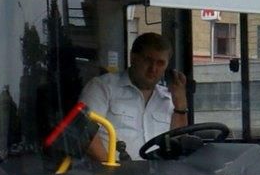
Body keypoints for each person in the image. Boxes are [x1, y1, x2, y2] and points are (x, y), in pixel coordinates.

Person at [80, 32, 190, 161]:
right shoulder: (102, 87)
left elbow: (177, 143)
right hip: (112, 171)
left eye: (160, 63)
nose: (153, 68)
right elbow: (86, 134)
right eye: (148, 60)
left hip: (159, 172)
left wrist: (180, 106)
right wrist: (112, 170)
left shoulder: (169, 99)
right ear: (133, 58)